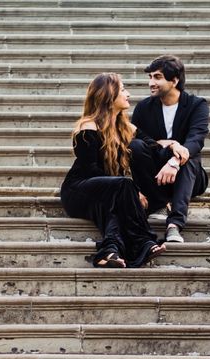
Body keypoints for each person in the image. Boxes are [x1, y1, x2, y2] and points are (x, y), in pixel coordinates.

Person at [60, 72, 165, 268]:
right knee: (124, 188)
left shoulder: (126, 128)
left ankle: (109, 252)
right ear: (109, 95)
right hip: (78, 191)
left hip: (107, 192)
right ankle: (144, 242)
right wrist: (131, 192)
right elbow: (90, 170)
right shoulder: (88, 127)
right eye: (123, 89)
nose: (129, 94)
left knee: (114, 210)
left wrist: (175, 148)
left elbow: (154, 147)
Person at [130, 55, 210, 244]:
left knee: (188, 157)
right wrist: (164, 143)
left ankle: (174, 224)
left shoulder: (196, 105)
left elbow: (196, 139)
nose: (151, 82)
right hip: (156, 176)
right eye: (150, 77)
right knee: (135, 146)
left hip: (189, 175)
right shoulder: (144, 107)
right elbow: (138, 137)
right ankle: (158, 203)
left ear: (174, 81)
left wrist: (175, 160)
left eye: (157, 77)